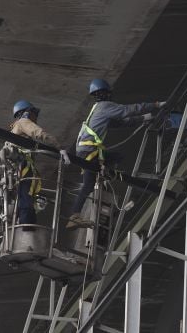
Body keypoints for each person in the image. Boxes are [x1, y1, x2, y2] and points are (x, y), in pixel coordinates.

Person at [66, 78, 166, 229]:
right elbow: (128, 110)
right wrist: (155, 105)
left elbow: (120, 122)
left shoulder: (98, 109)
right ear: (106, 93)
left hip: (86, 150)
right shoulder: (105, 106)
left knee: (115, 158)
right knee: (88, 184)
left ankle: (104, 174)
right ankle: (75, 216)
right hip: (90, 151)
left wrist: (143, 118)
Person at [10, 100, 71, 227]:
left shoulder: (15, 130)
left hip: (17, 170)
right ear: (26, 113)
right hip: (23, 167)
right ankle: (26, 228)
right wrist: (60, 147)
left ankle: (22, 225)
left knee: (24, 199)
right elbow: (40, 134)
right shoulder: (23, 122)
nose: (35, 117)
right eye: (33, 113)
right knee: (26, 199)